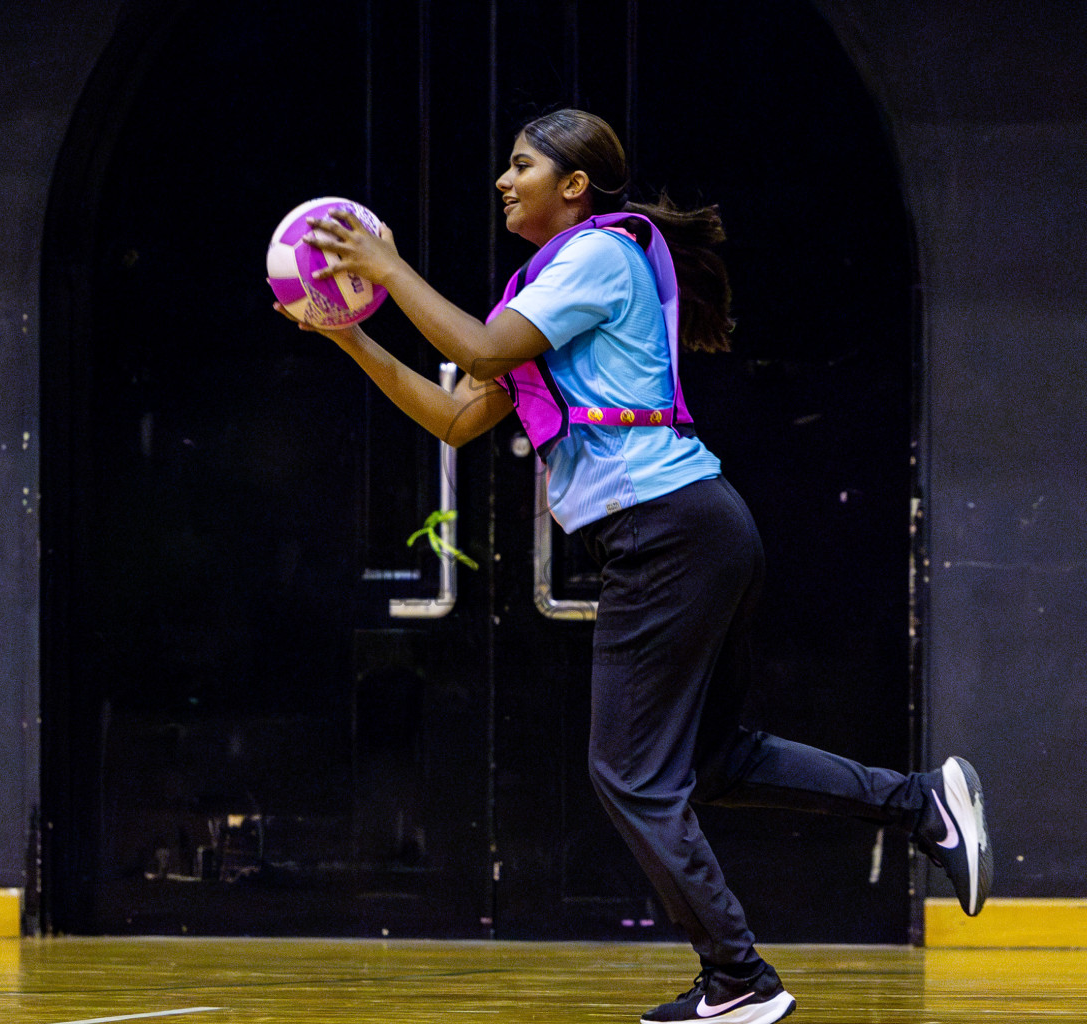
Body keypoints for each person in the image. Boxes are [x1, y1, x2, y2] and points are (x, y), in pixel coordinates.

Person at [275, 108, 991, 1024]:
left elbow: (479, 352)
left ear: (573, 186)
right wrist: (345, 330)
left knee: (630, 774)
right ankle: (923, 806)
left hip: (666, 534)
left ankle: (738, 981)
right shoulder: (546, 289)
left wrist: (386, 269)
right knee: (714, 760)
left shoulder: (596, 259)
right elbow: (455, 416)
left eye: (522, 164)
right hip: (693, 529)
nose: (503, 179)